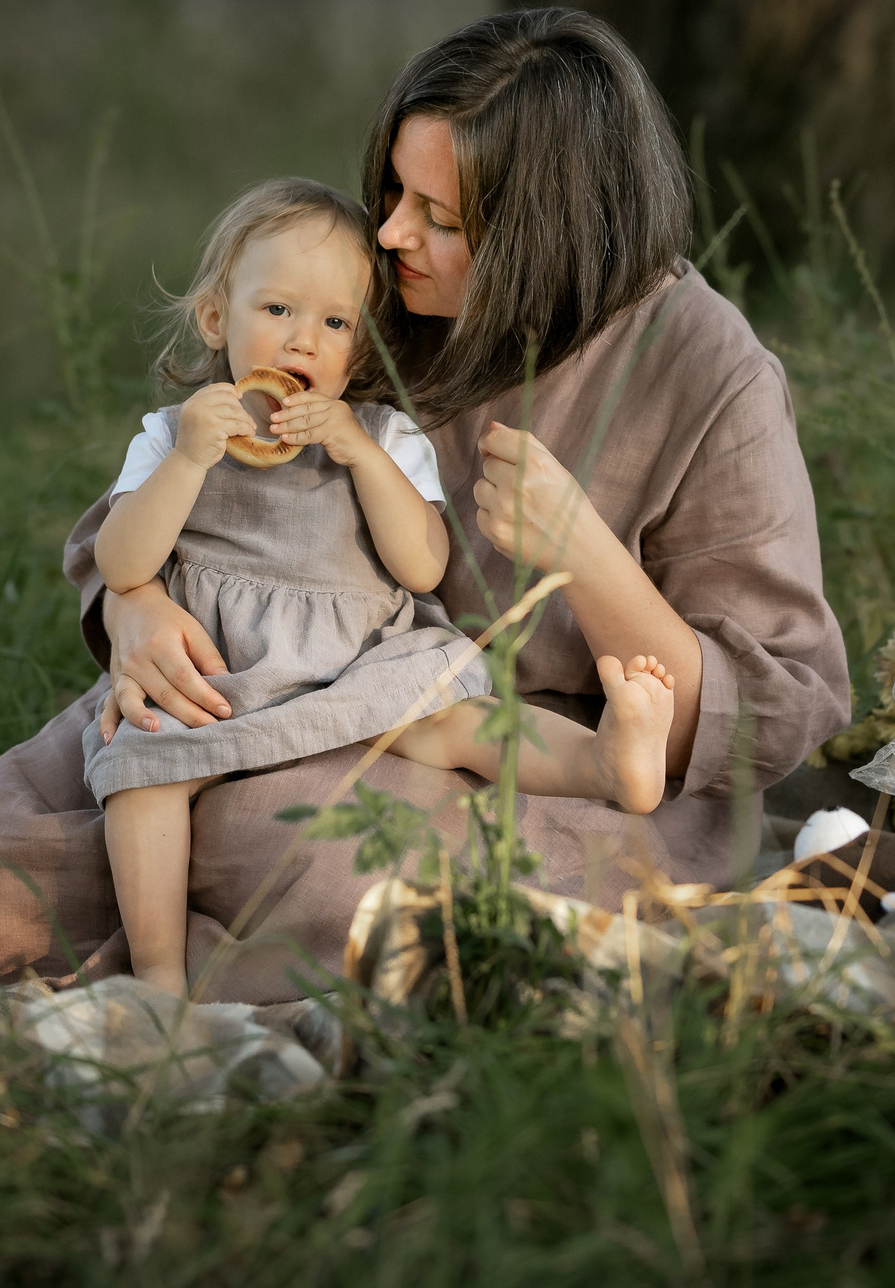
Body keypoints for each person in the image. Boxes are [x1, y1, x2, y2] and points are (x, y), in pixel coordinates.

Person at [0, 7, 852, 1005]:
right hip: (270, 682)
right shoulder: (373, 298)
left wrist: (583, 557)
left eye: (440, 216)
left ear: (546, 234)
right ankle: (218, 948)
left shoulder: (709, 374)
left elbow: (769, 709)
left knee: (302, 856)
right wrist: (135, 612)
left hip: (534, 762)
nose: (391, 234)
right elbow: (169, 483)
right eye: (393, 191)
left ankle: (208, 966)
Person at [85, 177, 682, 994]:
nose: (303, 342)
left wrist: (360, 457)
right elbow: (121, 563)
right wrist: (190, 459)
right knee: (140, 771)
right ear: (216, 317)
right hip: (224, 672)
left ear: (359, 351)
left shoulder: (385, 435)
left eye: (334, 324)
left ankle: (607, 763)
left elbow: (424, 566)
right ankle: (157, 970)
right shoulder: (171, 436)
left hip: (362, 653)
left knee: (460, 722)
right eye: (278, 311)